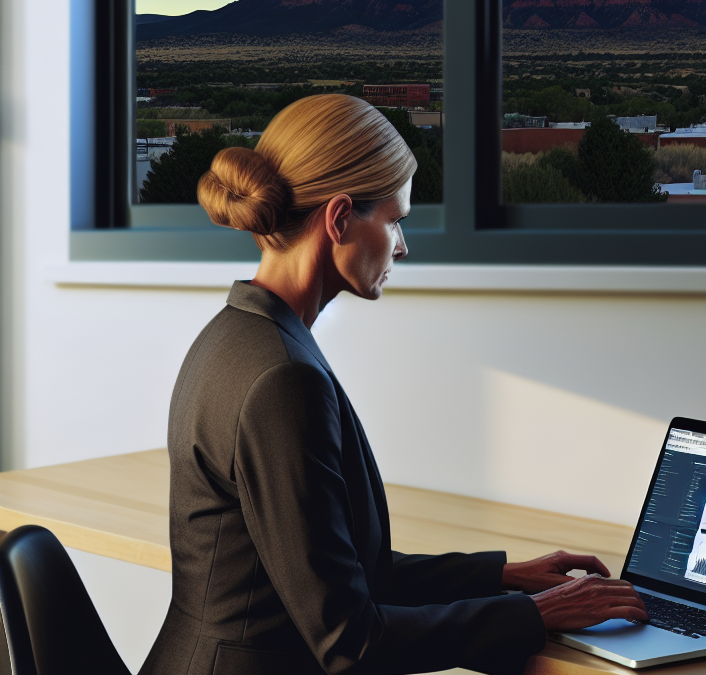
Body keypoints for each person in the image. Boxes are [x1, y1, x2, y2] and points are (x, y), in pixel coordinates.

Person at [139, 94, 647, 675]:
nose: (403, 245)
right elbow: (352, 643)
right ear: (338, 218)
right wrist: (536, 614)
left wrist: (506, 576)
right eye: (396, 219)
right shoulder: (283, 380)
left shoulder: (234, 336)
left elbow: (350, 570)